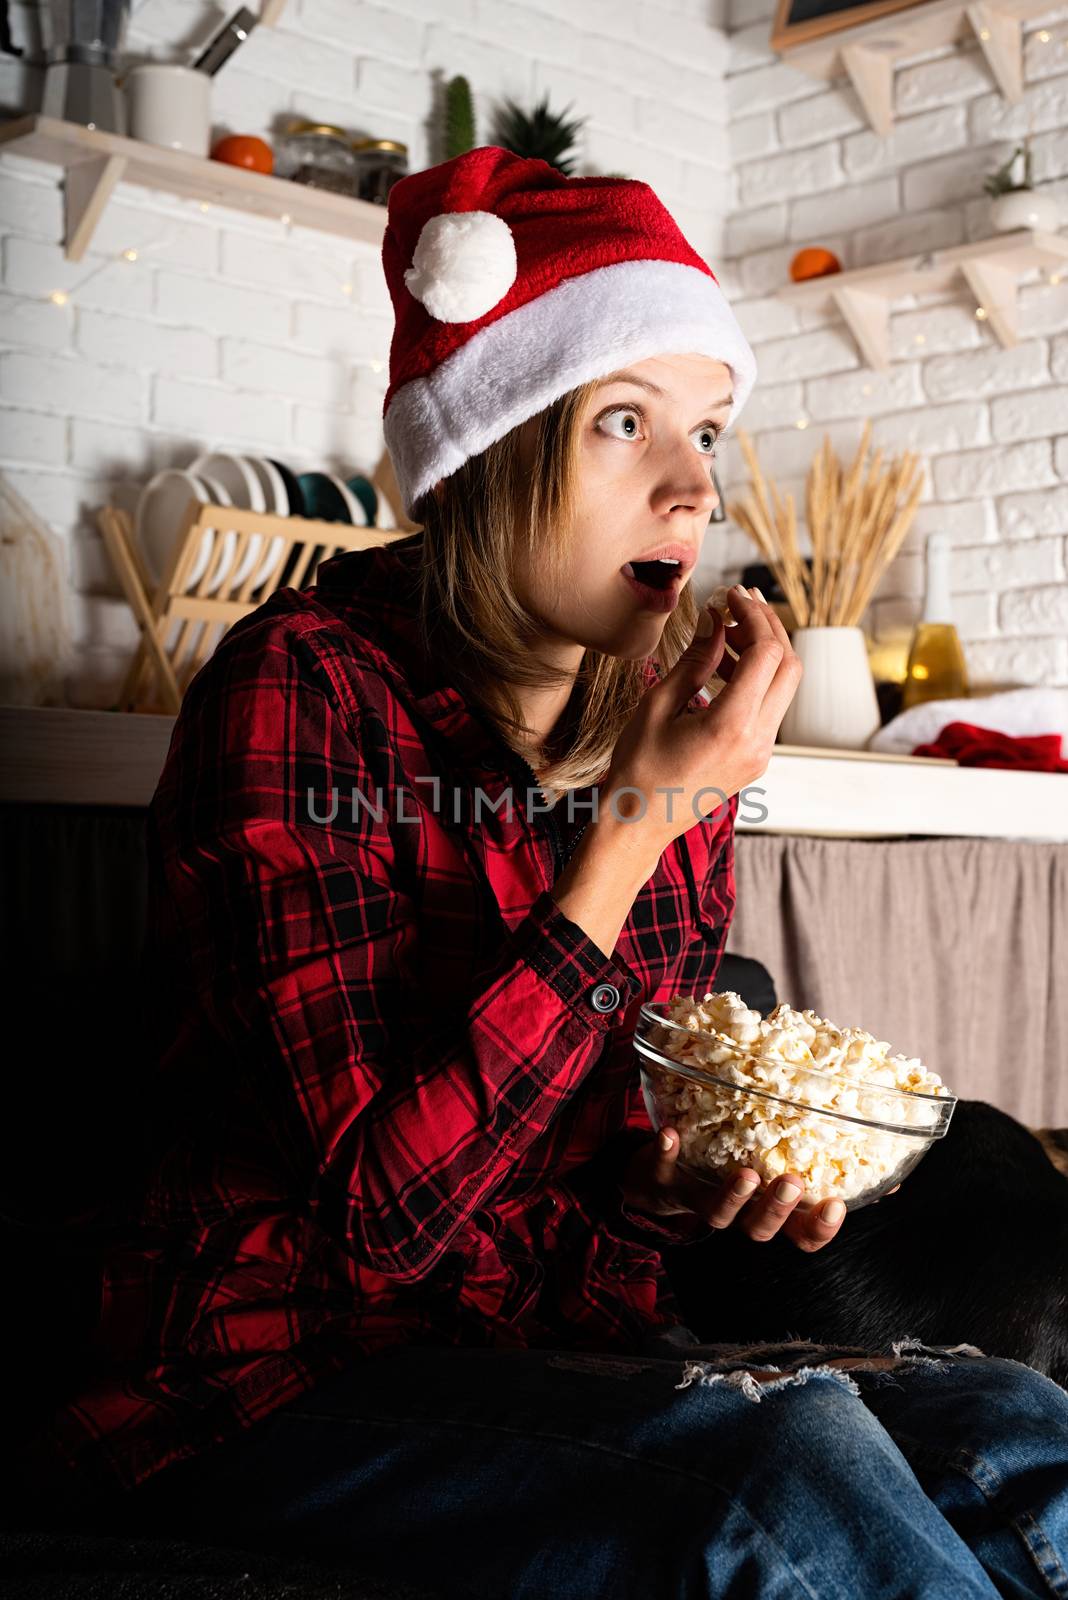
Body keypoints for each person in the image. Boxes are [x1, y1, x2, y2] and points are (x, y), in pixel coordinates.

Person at [20, 146, 1068, 1599]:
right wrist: (636, 821)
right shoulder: (298, 693)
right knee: (784, 1476)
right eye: (623, 423)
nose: (695, 483)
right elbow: (384, 1222)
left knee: (1020, 1430)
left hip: (541, 1350)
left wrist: (696, 1181)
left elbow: (583, 1146)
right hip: (254, 1380)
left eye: (706, 428)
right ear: (489, 450)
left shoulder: (653, 721)